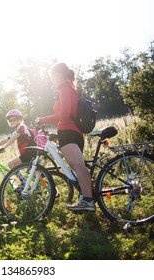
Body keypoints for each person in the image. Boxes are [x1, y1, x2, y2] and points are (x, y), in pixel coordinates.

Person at [36, 62, 95, 212]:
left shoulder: (64, 89)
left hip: (68, 134)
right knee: (78, 167)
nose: (51, 80)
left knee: (78, 167)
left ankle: (88, 200)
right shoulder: (72, 89)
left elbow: (64, 115)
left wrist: (43, 119)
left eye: (52, 77)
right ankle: (85, 198)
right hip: (75, 133)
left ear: (58, 75)